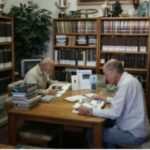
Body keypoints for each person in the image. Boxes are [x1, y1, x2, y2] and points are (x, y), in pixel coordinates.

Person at [79, 59, 150, 148]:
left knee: (91, 132)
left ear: (114, 72)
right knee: (107, 124)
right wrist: (104, 98)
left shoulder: (125, 84)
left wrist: (90, 111)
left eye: (106, 74)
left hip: (133, 134)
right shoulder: (129, 79)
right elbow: (121, 101)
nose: (105, 78)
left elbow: (114, 113)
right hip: (138, 129)